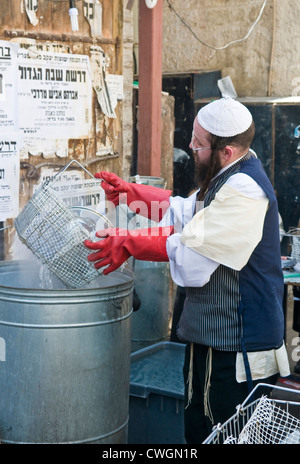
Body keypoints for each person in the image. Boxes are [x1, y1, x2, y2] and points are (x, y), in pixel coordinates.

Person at [84, 98, 290, 444]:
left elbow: (191, 246)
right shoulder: (231, 172)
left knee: (216, 434)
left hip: (235, 349)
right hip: (213, 342)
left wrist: (127, 243)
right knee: (198, 425)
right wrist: (129, 194)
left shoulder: (244, 191)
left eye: (198, 142)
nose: (191, 147)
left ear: (224, 150)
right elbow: (184, 210)